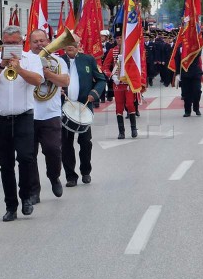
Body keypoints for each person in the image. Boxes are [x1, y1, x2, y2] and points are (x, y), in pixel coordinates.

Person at [0, 26, 44, 221]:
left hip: (23, 117)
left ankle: (26, 197)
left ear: (22, 42)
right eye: (7, 43)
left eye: (15, 43)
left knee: (26, 159)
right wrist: (2, 66)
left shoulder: (31, 59)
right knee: (6, 164)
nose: (11, 46)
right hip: (0, 118)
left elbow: (37, 80)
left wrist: (20, 69)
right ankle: (11, 205)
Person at [61, 32, 106, 187]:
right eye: (68, 43)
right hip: (64, 108)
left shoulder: (88, 60)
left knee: (85, 142)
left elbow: (101, 80)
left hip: (83, 108)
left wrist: (94, 93)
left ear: (79, 45)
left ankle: (85, 171)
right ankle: (70, 176)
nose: (71, 46)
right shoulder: (58, 61)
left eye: (74, 44)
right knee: (65, 143)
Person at [29, 29, 70, 200]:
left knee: (53, 150)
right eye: (35, 41)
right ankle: (33, 191)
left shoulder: (58, 61)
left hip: (50, 114)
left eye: (42, 41)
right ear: (29, 44)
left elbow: (65, 81)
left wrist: (47, 74)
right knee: (28, 155)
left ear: (48, 41)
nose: (40, 44)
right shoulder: (25, 60)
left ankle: (54, 177)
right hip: (29, 114)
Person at [102, 30, 141, 140]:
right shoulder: (112, 51)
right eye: (117, 38)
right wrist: (112, 76)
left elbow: (136, 65)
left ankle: (133, 128)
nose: (119, 40)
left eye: (121, 38)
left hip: (128, 82)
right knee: (119, 106)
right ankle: (121, 131)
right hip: (118, 83)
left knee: (130, 104)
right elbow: (105, 67)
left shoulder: (131, 51)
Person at [174, 46, 203, 117]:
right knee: (186, 93)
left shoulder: (196, 43)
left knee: (197, 91)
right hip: (185, 73)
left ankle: (196, 108)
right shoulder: (180, 46)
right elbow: (177, 60)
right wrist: (177, 73)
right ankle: (187, 111)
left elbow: (198, 54)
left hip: (195, 72)